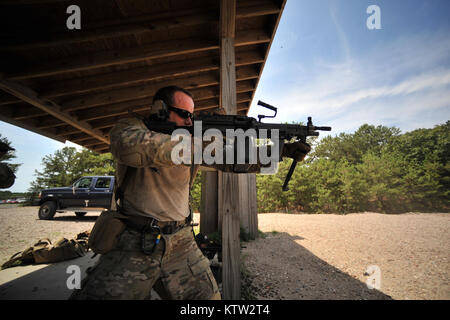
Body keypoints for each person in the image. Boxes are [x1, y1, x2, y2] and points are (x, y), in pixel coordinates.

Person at [70, 86, 310, 300]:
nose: (188, 121)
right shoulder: (132, 127)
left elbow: (235, 159)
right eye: (184, 114)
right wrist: (203, 143)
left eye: (192, 116)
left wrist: (280, 151)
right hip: (133, 242)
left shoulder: (194, 144)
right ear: (160, 109)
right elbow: (131, 147)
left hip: (181, 243)